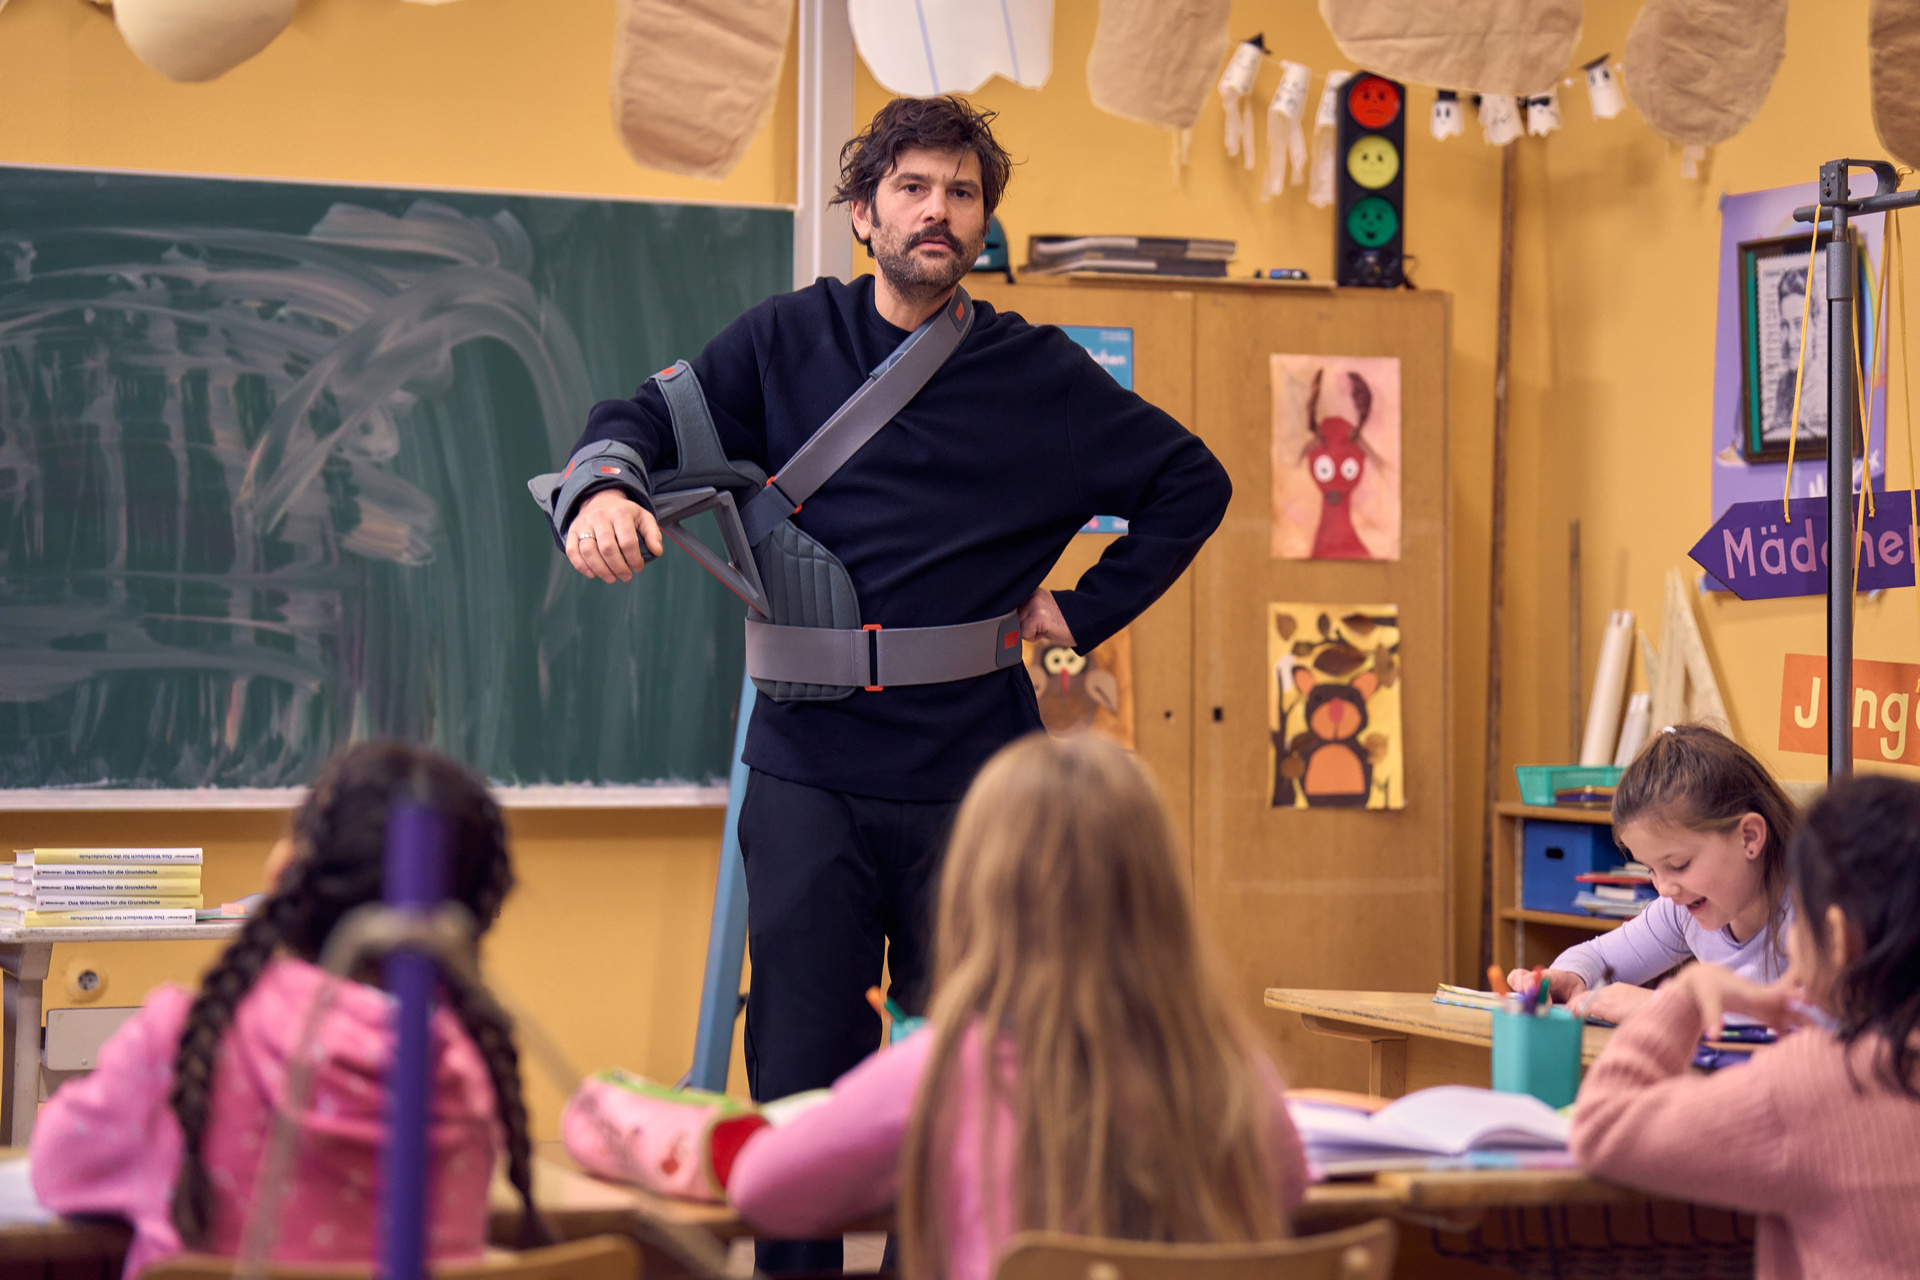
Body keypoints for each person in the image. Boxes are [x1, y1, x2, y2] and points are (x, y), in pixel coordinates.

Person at [543, 93, 1230, 1271]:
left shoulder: (1038, 375)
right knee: (799, 1075)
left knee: (971, 1087)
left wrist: (1085, 608)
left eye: (962, 192)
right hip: (807, 772)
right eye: (912, 188)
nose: (937, 211)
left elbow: (1190, 481)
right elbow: (639, 419)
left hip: (979, 783)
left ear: (982, 222)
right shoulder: (783, 339)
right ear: (863, 214)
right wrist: (602, 486)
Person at [725, 734, 1309, 1280]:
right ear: (1162, 894)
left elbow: (759, 1188)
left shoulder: (937, 1071)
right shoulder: (1229, 1073)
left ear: (976, 889)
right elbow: (1289, 1188)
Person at [31, 742, 544, 1277]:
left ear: (284, 871)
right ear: (476, 915)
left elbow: (56, 1168)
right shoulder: (469, 1071)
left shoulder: (186, 1041)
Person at [1571, 771, 1920, 1278]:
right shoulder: (1679, 913)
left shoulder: (1814, 1082)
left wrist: (1686, 995)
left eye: (1802, 919)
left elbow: (1601, 1130)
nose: (1790, 940)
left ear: (1839, 939)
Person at [1507, 725, 1797, 1025]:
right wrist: (1573, 976)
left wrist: (1664, 1005)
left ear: (1749, 837)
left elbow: (1812, 1020)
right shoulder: (1683, 909)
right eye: (1650, 870)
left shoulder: (1813, 912)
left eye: (1680, 864)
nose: (1664, 889)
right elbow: (1597, 957)